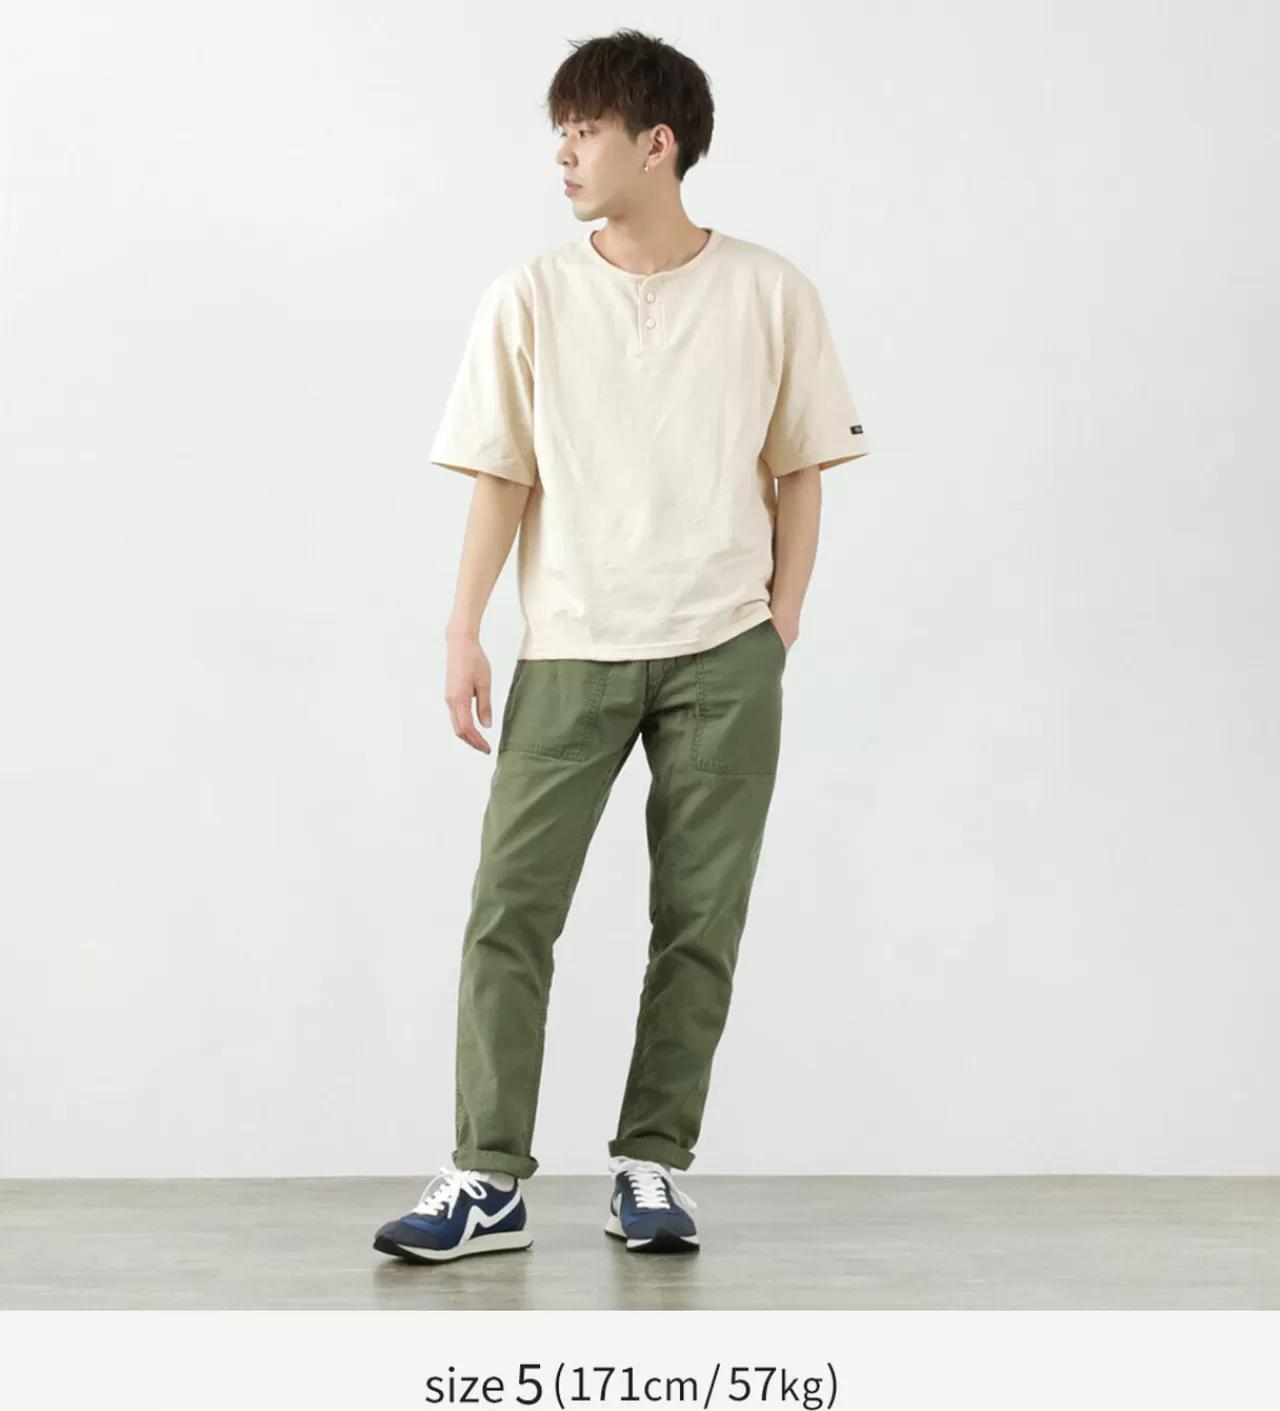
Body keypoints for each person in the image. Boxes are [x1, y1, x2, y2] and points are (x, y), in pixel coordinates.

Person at [374, 27, 870, 1264]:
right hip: (569, 646)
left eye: (583, 131)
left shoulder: (768, 292)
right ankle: (486, 1176)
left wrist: (778, 621)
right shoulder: (529, 297)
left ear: (657, 144)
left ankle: (650, 1164)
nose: (562, 153)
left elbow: (801, 468)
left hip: (723, 654)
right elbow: (500, 473)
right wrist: (462, 628)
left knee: (697, 921)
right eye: (558, 132)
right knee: (509, 911)